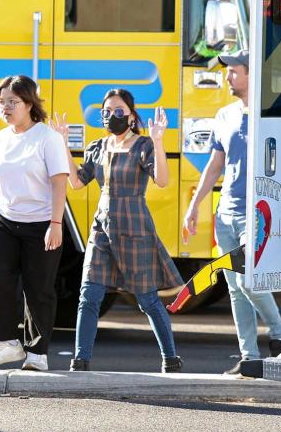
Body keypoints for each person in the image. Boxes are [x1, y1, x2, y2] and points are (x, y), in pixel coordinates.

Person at [53, 89, 184, 373]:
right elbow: (76, 182)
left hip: (134, 226)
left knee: (147, 299)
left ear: (132, 116)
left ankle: (170, 358)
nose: (113, 116)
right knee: (89, 293)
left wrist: (159, 141)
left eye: (119, 111)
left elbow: (161, 180)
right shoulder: (98, 146)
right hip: (102, 226)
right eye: (107, 112)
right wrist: (63, 144)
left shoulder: (144, 145)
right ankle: (80, 359)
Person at [183, 49, 281, 374]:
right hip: (226, 212)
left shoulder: (270, 115)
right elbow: (215, 165)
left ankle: (279, 331)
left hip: (256, 212)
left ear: (251, 74)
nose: (228, 77)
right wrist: (194, 205)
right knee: (233, 286)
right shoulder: (224, 115)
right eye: (228, 71)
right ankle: (249, 357)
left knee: (248, 280)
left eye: (234, 71)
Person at [0, 75, 70, 372]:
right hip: (5, 219)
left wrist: (56, 223)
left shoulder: (47, 138)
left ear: (29, 104)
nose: (5, 108)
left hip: (42, 222)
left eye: (12, 102)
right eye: (1, 102)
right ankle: (6, 343)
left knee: (38, 288)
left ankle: (37, 352)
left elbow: (59, 183)